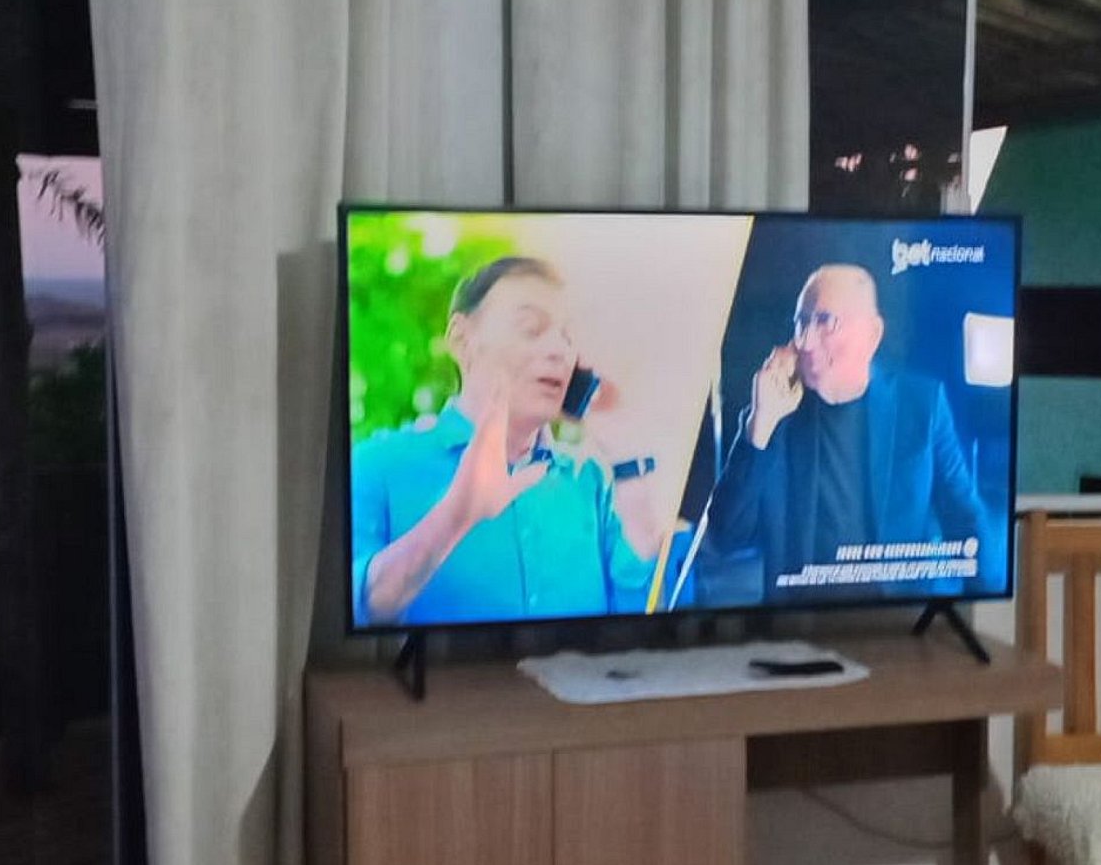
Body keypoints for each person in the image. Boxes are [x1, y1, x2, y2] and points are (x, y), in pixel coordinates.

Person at [351, 254, 658, 627]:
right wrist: (457, 515)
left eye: (567, 336)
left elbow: (647, 622)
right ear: (462, 340)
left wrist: (627, 458)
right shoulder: (375, 464)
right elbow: (360, 608)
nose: (559, 351)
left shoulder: (590, 480)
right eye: (531, 329)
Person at [701, 261, 993, 599]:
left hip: (898, 618)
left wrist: (980, 606)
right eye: (801, 322)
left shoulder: (921, 405)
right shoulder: (776, 412)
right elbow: (724, 539)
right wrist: (761, 424)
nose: (806, 342)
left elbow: (966, 519)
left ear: (872, 335)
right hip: (797, 620)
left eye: (825, 321)